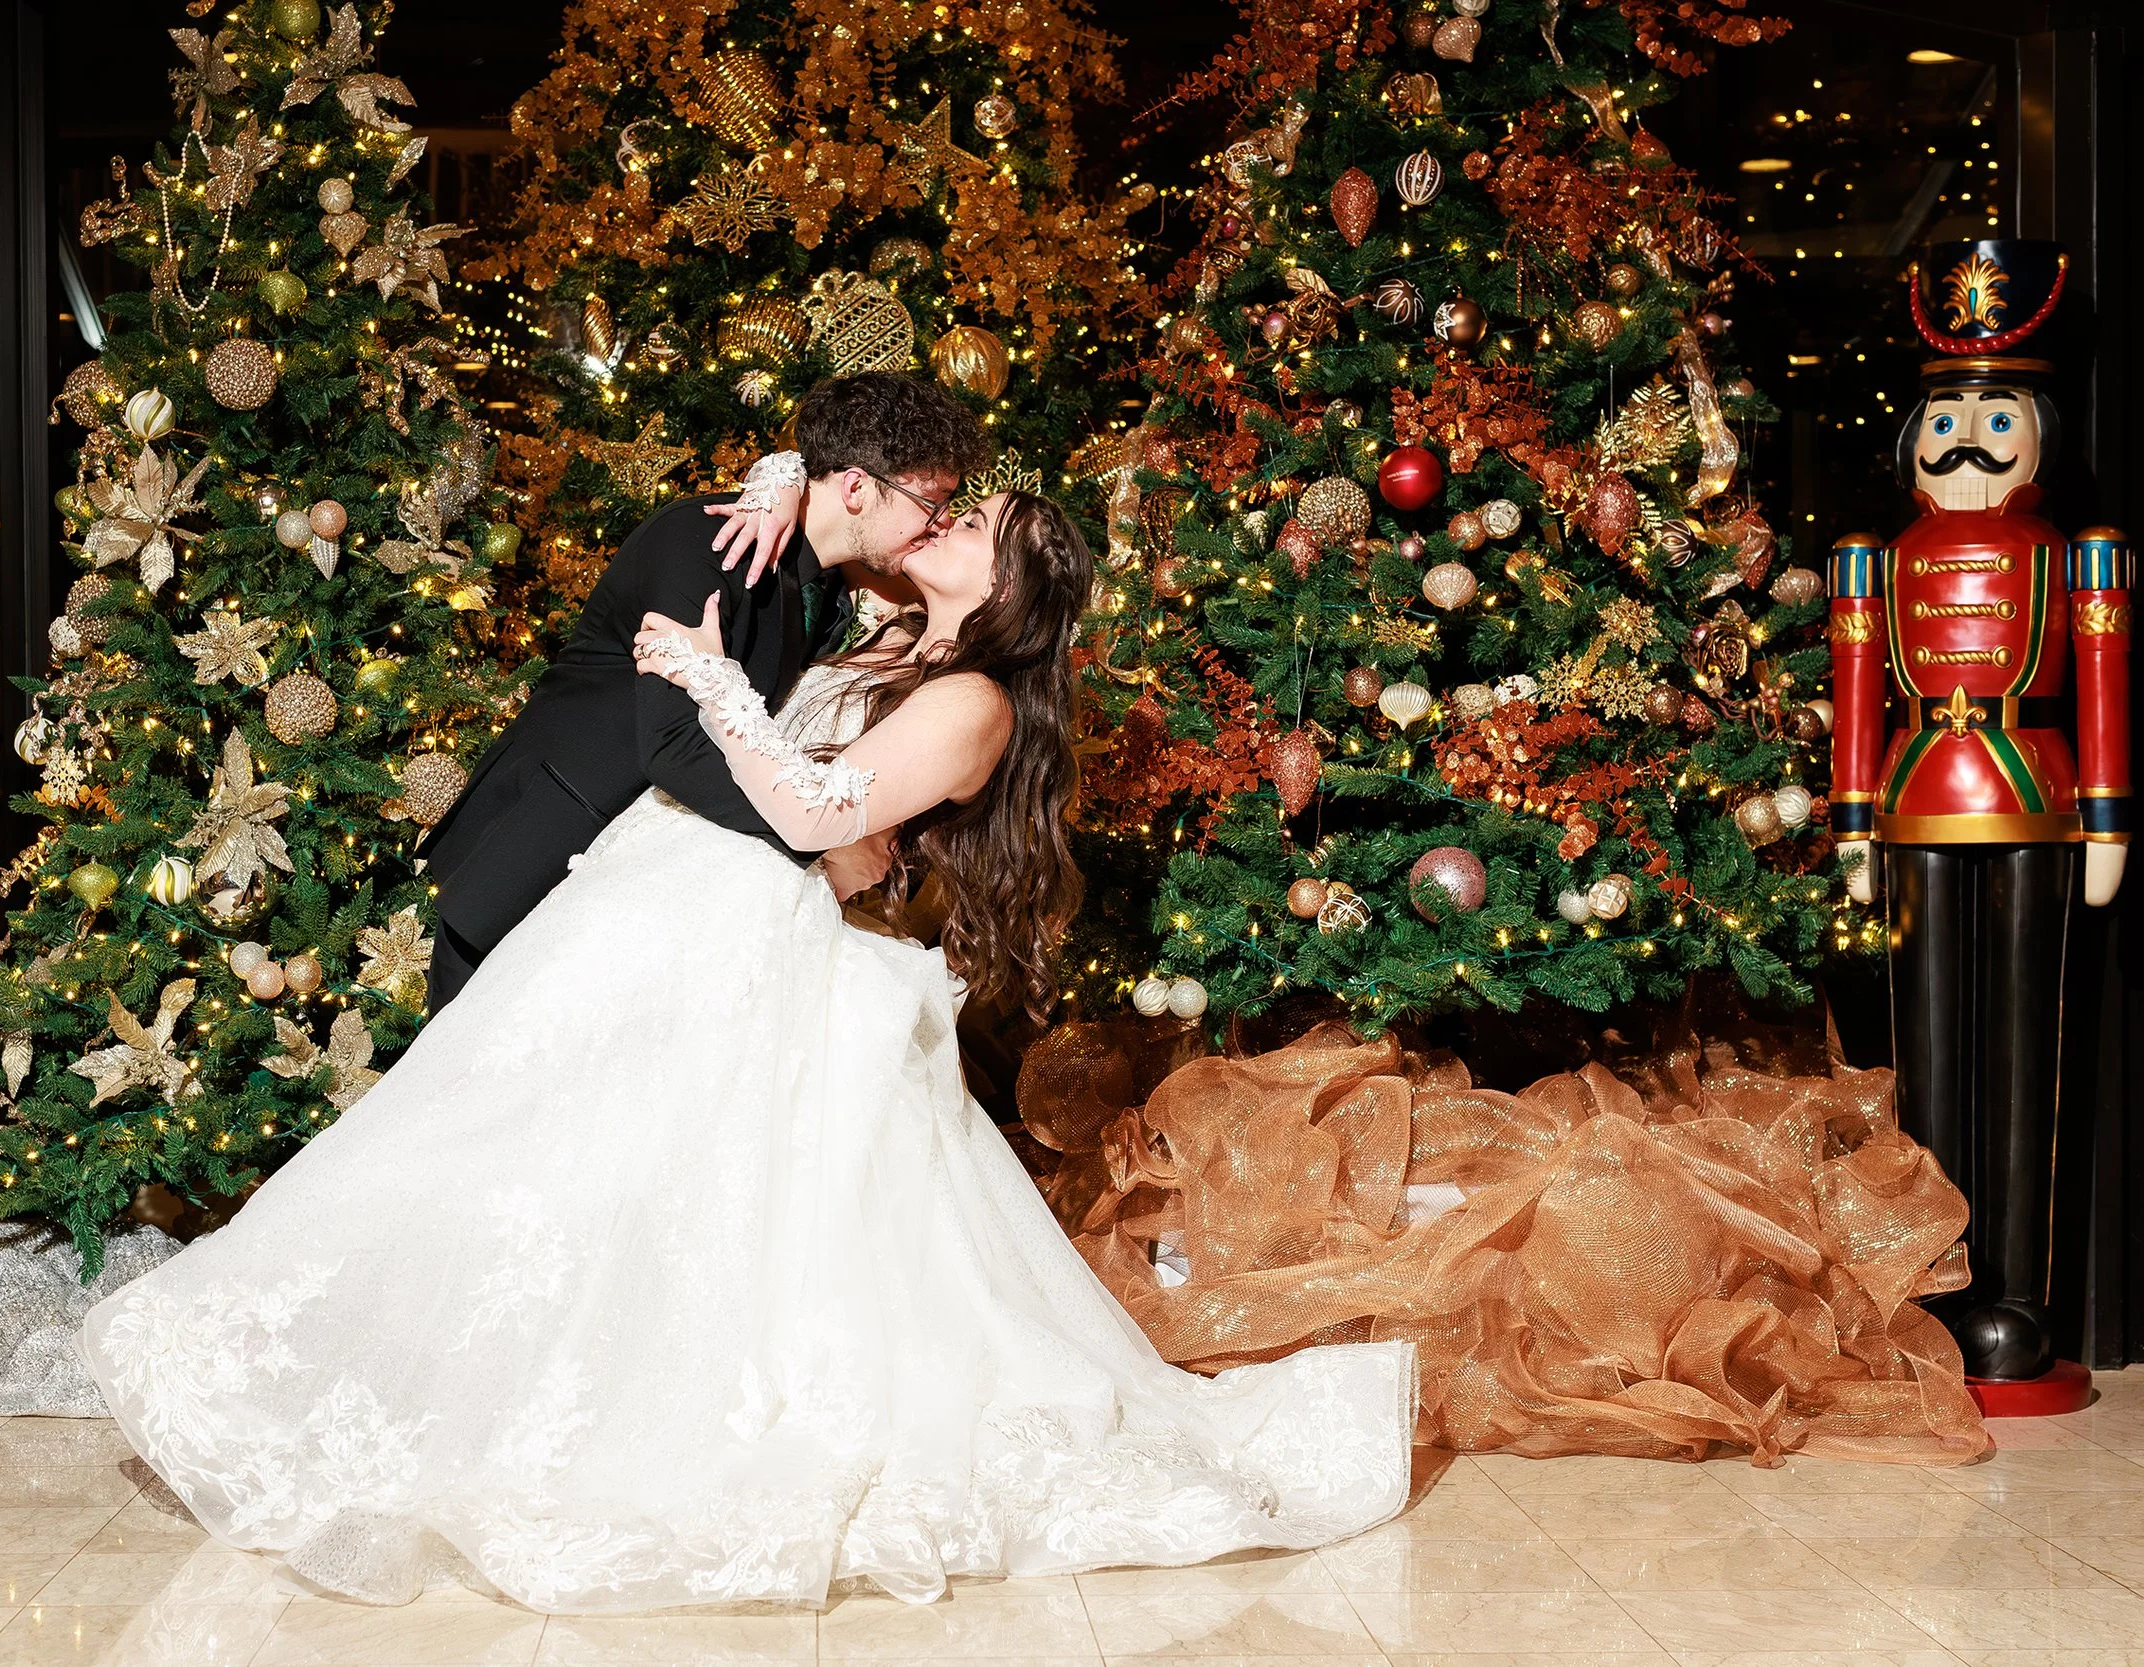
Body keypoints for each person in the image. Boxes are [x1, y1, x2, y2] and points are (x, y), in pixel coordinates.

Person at [79, 488, 1414, 1613]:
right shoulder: (888, 629)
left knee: (657, 1188)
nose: (948, 519)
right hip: (658, 902)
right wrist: (785, 477)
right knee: (516, 1139)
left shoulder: (976, 702)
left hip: (742, 936)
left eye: (977, 523)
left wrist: (709, 676)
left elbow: (812, 808)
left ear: (1014, 583)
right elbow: (833, 536)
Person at [417, 372, 984, 1010]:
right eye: (931, 502)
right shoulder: (704, 540)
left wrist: (785, 473)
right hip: (542, 846)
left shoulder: (828, 587)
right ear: (856, 487)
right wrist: (827, 846)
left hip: (633, 898)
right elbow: (673, 744)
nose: (938, 524)